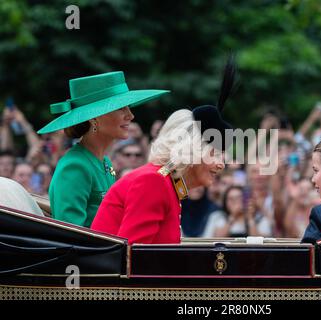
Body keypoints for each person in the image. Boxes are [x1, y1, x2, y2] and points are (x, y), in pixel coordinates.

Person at [91, 58, 237, 244]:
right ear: (191, 152)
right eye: (214, 154)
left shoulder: (168, 184)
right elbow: (134, 258)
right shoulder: (154, 182)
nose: (221, 164)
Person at [37, 71, 168, 227]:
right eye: (121, 108)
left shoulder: (104, 161)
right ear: (94, 118)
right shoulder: (75, 167)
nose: (130, 115)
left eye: (128, 107)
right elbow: (71, 234)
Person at [203, 185, 272, 238]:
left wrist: (250, 218)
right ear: (225, 202)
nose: (235, 202)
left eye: (239, 198)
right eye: (231, 199)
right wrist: (233, 216)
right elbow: (217, 239)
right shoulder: (218, 217)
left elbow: (261, 243)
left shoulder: (260, 218)